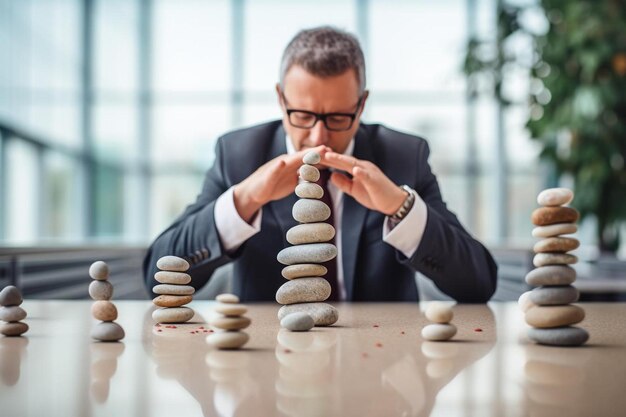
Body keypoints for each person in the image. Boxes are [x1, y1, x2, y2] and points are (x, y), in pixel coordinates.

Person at [144, 26, 497, 302]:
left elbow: (479, 283)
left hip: (380, 370)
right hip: (267, 367)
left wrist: (399, 208)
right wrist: (245, 200)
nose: (318, 138)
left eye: (339, 117)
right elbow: (155, 279)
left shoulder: (405, 156)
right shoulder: (239, 154)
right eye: (302, 115)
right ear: (281, 100)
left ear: (362, 105)